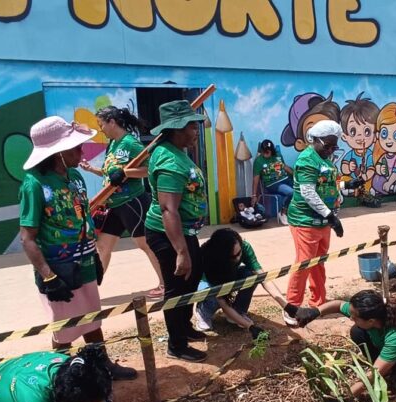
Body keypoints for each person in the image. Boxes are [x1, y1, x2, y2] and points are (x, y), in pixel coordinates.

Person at [19, 116, 136, 380]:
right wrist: (49, 277)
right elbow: (27, 238)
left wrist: (94, 255)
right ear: (58, 153)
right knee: (64, 328)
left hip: (84, 262)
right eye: (76, 148)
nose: (82, 152)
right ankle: (59, 374)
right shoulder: (34, 184)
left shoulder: (74, 177)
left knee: (92, 317)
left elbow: (82, 215)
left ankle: (102, 365)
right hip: (58, 270)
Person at [145, 100, 209, 362]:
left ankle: (184, 327)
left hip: (184, 232)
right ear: (177, 128)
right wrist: (181, 251)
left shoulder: (177, 152)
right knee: (177, 289)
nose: (196, 131)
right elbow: (168, 209)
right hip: (168, 235)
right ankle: (177, 345)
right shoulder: (169, 160)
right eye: (192, 126)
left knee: (191, 280)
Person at [79, 106, 165, 300]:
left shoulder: (131, 143)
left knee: (144, 243)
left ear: (112, 122)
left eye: (101, 124)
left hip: (132, 202)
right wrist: (92, 169)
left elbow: (150, 169)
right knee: (103, 246)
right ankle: (91, 291)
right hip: (114, 205)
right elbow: (111, 174)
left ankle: (165, 283)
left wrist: (126, 173)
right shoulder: (113, 145)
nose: (100, 129)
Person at [296, 290, 396, 400]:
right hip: (393, 344)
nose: (351, 318)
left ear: (371, 321)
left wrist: (347, 395)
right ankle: (386, 367)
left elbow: (376, 372)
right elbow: (339, 305)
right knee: (357, 331)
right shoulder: (373, 310)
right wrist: (315, 312)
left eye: (354, 317)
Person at [285, 119, 348, 326]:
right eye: (327, 145)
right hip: (305, 221)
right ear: (315, 140)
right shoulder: (307, 160)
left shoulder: (325, 159)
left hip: (322, 222)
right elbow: (308, 193)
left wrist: (347, 186)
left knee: (319, 262)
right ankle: (292, 307)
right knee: (304, 263)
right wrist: (331, 217)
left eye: (334, 147)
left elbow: (328, 184)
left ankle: (318, 302)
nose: (330, 150)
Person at [194, 228, 314, 336]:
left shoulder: (244, 247)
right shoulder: (208, 258)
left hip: (230, 275)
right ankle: (203, 311)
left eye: (239, 253)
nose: (237, 258)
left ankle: (238, 312)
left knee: (251, 275)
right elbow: (223, 304)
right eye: (232, 257)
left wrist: (288, 307)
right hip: (211, 282)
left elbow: (263, 278)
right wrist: (250, 327)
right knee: (212, 294)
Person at [252, 139, 294, 225]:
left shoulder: (278, 156)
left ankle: (297, 214)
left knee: (302, 189)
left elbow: (285, 167)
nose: (265, 153)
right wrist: (254, 195)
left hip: (285, 179)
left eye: (268, 152)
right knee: (291, 192)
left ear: (272, 151)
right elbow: (256, 179)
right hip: (272, 184)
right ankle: (283, 212)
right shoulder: (258, 161)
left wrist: (295, 175)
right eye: (264, 151)